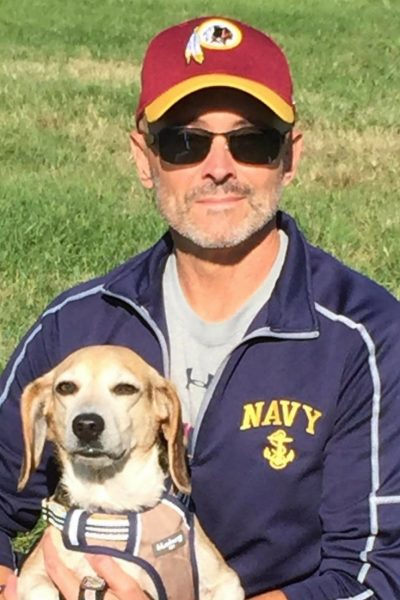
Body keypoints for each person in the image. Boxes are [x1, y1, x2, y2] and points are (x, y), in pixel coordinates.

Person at [1, 14, 400, 600]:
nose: (219, 168)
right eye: (184, 142)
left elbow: (377, 570)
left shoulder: (367, 336)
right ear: (144, 158)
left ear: (290, 157)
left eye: (252, 141)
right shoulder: (77, 323)